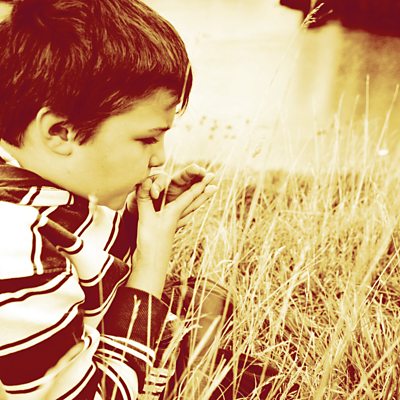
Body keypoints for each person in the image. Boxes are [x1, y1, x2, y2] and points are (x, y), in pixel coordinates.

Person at [0, 1, 297, 398]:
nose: (159, 158)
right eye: (147, 138)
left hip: (98, 339)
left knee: (209, 304)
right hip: (108, 376)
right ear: (60, 133)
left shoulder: (43, 190)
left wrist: (139, 224)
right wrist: (151, 260)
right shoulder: (17, 253)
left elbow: (84, 256)